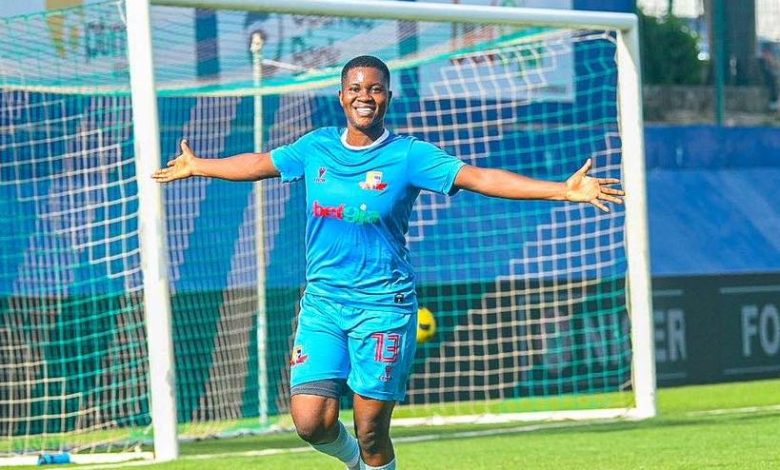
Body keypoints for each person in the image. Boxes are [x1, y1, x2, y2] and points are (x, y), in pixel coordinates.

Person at [153, 55, 624, 470]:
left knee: (371, 429)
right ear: (341, 97)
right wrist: (201, 166)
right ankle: (355, 464)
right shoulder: (316, 146)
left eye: (374, 89)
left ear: (388, 97)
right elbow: (257, 164)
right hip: (323, 304)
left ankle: (371, 460)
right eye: (356, 89)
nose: (365, 97)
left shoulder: (410, 155)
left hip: (383, 306)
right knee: (310, 423)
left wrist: (562, 189)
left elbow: (479, 177)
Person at [759, 42, 779, 111]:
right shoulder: (762, 60)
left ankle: (775, 103)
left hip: (772, 75)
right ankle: (773, 104)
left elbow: (776, 65)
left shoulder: (770, 58)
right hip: (768, 78)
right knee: (774, 81)